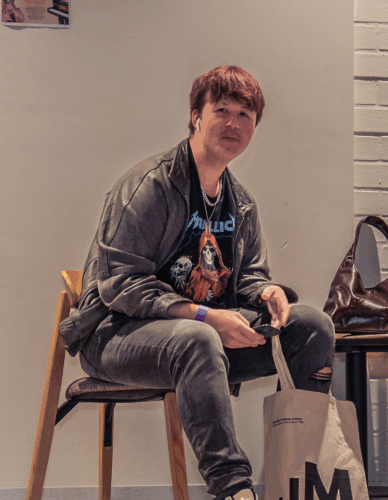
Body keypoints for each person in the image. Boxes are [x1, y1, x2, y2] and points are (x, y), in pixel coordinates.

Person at [57, 65, 335, 500]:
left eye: (245, 115)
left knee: (311, 325)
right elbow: (121, 284)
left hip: (196, 334)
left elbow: (247, 278)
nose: (234, 123)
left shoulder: (240, 202)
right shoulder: (150, 185)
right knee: (198, 338)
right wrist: (206, 316)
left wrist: (266, 291)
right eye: (222, 109)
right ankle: (234, 490)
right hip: (114, 335)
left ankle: (303, 479)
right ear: (195, 116)